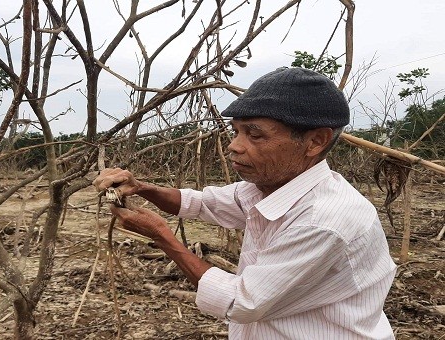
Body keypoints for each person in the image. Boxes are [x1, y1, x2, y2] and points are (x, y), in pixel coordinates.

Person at [93, 67, 396, 339]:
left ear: (315, 141)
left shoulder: (324, 220)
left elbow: (242, 302)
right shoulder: (268, 188)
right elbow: (199, 203)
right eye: (236, 131)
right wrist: (141, 188)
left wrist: (161, 235)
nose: (234, 146)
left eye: (255, 135)